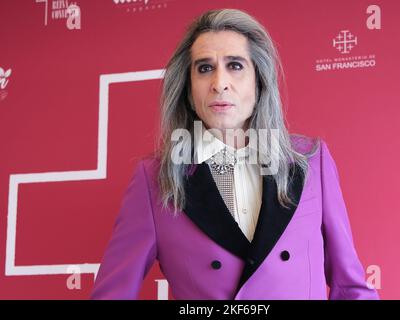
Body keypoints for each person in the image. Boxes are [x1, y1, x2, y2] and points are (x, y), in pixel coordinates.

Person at [91, 8, 379, 300]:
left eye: (235, 65)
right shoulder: (154, 179)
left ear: (259, 81)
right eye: (204, 68)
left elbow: (351, 287)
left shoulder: (310, 162)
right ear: (189, 90)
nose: (219, 83)